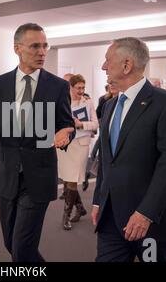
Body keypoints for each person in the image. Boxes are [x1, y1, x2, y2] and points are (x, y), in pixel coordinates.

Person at [0, 23, 75, 262]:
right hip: (7, 173)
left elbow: (66, 122)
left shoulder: (58, 86)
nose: (42, 52)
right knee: (11, 244)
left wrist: (65, 133)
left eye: (45, 46)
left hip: (38, 175)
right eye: (35, 46)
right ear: (17, 48)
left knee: (22, 248)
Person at [92, 37, 166, 262]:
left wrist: (146, 213)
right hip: (110, 218)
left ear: (127, 65)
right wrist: (98, 200)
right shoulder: (108, 106)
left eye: (107, 61)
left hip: (149, 223)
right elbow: (107, 161)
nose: (103, 67)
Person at [58, 74, 98, 230]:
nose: (81, 91)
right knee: (68, 179)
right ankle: (80, 208)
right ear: (71, 87)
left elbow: (95, 124)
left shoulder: (88, 102)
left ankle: (66, 216)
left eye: (83, 87)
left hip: (81, 145)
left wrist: (81, 124)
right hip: (65, 144)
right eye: (78, 88)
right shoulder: (62, 101)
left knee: (73, 179)